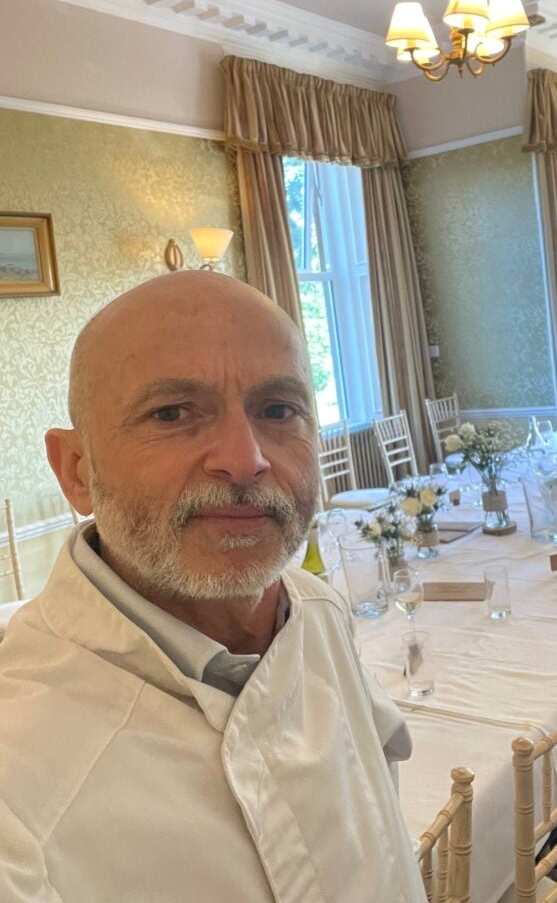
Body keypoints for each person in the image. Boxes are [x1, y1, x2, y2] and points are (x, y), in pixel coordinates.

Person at [0, 271, 426, 903]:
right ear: (76, 470)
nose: (245, 459)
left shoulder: (317, 609)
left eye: (278, 410)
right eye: (172, 413)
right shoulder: (18, 790)